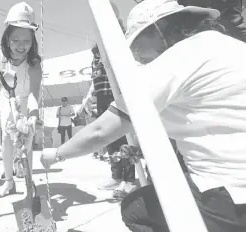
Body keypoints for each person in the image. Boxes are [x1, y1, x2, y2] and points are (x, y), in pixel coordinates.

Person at [41, 0, 246, 231]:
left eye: (137, 43)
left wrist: (57, 155)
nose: (135, 54)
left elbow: (100, 131)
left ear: (157, 29)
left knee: (135, 209)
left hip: (231, 195)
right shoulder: (225, 44)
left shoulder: (174, 60)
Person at [0, 2, 42, 199]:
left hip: (27, 102)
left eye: (26, 41)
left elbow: (35, 95)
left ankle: (29, 181)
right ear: (7, 38)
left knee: (27, 142)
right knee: (7, 140)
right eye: (16, 40)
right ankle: (9, 182)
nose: (21, 46)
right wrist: (4, 80)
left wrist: (34, 118)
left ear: (32, 40)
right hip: (5, 99)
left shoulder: (35, 64)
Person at [90, 45, 136, 198]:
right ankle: (116, 176)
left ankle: (129, 179)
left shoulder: (114, 50)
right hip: (101, 97)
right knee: (109, 138)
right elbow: (94, 82)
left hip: (115, 95)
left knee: (123, 138)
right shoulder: (95, 58)